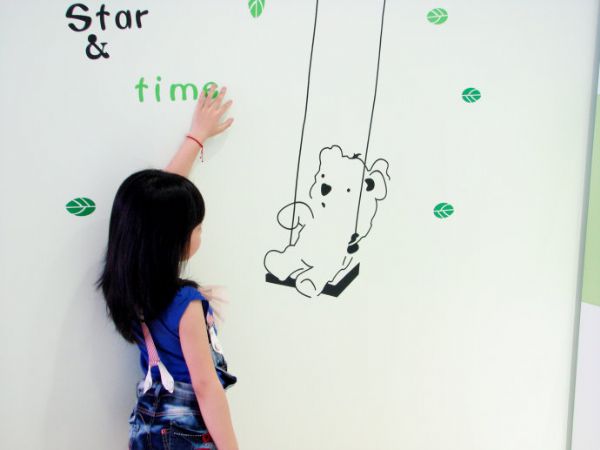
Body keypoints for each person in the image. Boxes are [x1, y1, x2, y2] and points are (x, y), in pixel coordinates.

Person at [95, 84, 239, 450]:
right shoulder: (185, 304)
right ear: (172, 238)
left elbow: (152, 210)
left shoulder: (129, 289)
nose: (200, 232)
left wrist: (196, 138)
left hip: (147, 429)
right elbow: (205, 387)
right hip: (184, 436)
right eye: (197, 226)